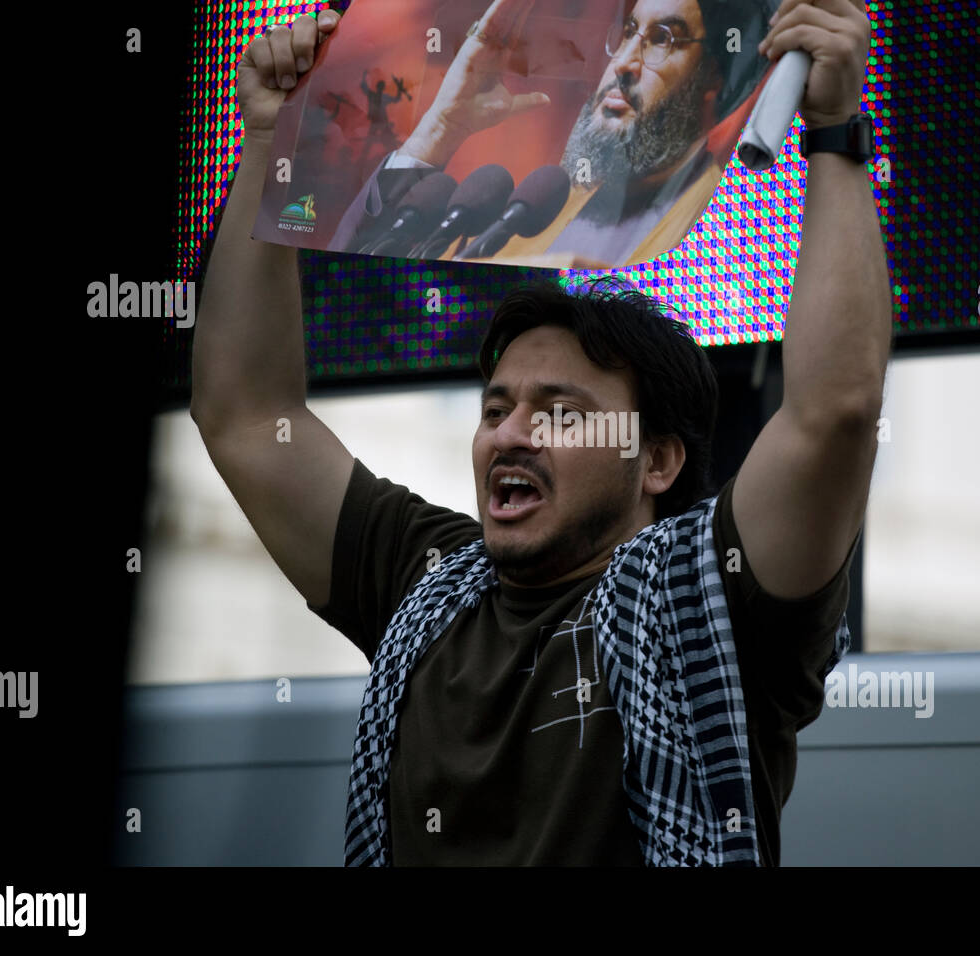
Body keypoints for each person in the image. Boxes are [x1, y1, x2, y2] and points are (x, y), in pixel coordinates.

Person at [194, 0, 889, 865]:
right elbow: (246, 416)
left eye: (560, 411)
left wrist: (834, 131)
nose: (510, 434)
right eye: (494, 409)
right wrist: (268, 141)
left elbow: (835, 413)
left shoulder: (719, 599)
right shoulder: (428, 578)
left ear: (659, 460)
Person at [327, 0, 775, 267]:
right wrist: (440, 127)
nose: (623, 63)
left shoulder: (730, 229)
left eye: (661, 40)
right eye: (626, 33)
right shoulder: (530, 211)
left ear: (715, 76)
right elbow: (355, 262)